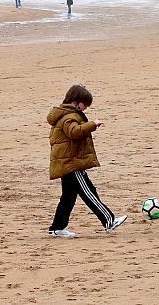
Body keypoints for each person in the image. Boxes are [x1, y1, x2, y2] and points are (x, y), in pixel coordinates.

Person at [47, 85, 128, 238]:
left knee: (68, 197)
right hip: (71, 164)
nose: (85, 108)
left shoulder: (65, 114)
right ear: (76, 101)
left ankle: (57, 228)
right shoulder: (68, 116)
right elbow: (74, 132)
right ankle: (109, 220)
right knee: (88, 192)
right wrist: (92, 124)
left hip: (67, 163)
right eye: (85, 104)